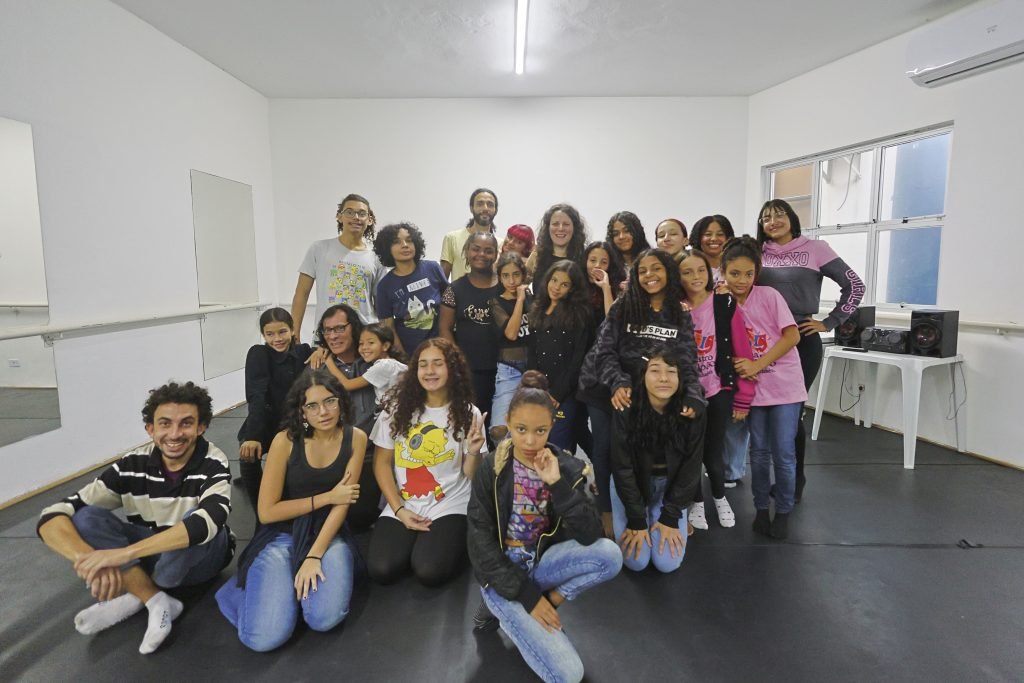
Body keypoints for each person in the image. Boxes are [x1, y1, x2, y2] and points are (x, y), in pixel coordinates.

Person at [37, 382, 233, 654]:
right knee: (85, 518)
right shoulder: (131, 465)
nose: (175, 434)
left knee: (196, 523)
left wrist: (120, 556)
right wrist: (90, 562)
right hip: (151, 552)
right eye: (165, 424)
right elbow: (52, 517)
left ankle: (136, 593)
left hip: (201, 559)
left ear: (201, 427)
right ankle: (155, 600)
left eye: (186, 424)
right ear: (150, 429)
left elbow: (208, 522)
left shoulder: (214, 460)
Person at [468, 372, 622, 683]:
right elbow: (479, 542)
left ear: (551, 427)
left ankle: (548, 598)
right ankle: (495, 606)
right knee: (569, 673)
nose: (529, 441)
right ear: (508, 423)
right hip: (500, 572)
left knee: (611, 554)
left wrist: (557, 484)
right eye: (521, 429)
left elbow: (591, 535)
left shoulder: (566, 466)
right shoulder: (493, 467)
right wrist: (527, 596)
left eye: (540, 431)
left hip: (540, 563)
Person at [215, 368, 364, 651]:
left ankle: (288, 593)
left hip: (327, 534)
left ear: (341, 401)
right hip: (283, 533)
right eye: (312, 405)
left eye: (330, 401)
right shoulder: (284, 441)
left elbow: (341, 505)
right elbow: (267, 513)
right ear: (301, 412)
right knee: (265, 638)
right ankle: (238, 593)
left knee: (325, 619)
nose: (323, 412)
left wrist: (314, 555)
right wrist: (326, 496)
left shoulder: (355, 438)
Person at [579, 248, 705, 537]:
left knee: (651, 447)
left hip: (653, 392)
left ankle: (666, 509)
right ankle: (607, 509)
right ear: (635, 276)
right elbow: (604, 352)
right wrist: (618, 382)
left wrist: (692, 394)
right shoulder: (624, 307)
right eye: (642, 270)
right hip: (607, 388)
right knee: (606, 449)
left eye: (656, 268)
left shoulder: (679, 312)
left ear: (668, 272)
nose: (649, 275)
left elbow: (687, 361)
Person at [756, 199, 865, 502]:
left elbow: (855, 285)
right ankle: (763, 479)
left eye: (779, 215)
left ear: (791, 218)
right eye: (766, 217)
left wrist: (830, 321)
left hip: (802, 339)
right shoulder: (757, 251)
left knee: (790, 413)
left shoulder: (816, 248)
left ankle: (794, 478)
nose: (773, 221)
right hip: (762, 341)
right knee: (763, 413)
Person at [367, 338, 486, 586]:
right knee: (382, 568)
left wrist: (474, 451)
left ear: (451, 369)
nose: (430, 371)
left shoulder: (468, 412)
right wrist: (399, 510)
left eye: (437, 364)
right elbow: (381, 463)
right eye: (423, 365)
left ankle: (462, 537)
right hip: (406, 500)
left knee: (429, 571)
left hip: (450, 502)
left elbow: (471, 474)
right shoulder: (396, 409)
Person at [721, 237, 807, 539]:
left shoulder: (769, 296)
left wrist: (757, 364)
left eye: (748, 274)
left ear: (756, 273)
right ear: (723, 272)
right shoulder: (722, 303)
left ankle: (783, 510)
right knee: (757, 453)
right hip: (752, 392)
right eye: (734, 274)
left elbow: (792, 336)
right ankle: (760, 508)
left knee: (783, 452)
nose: (742, 280)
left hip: (784, 386)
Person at [678, 251, 755, 530]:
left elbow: (741, 349)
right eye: (687, 272)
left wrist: (743, 397)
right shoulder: (675, 308)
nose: (695, 277)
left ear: (709, 274)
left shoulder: (723, 302)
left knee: (714, 449)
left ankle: (720, 496)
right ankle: (696, 501)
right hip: (687, 392)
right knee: (691, 450)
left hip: (718, 387)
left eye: (700, 270)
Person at [611, 349, 704, 572]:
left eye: (671, 371)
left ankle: (659, 515)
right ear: (642, 375)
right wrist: (636, 519)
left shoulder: (692, 410)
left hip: (669, 488)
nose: (663, 378)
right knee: (637, 562)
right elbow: (622, 467)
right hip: (632, 486)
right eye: (655, 370)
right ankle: (645, 515)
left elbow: (692, 467)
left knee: (666, 564)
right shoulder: (626, 407)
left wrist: (671, 516)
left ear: (680, 378)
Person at [237, 308, 314, 519]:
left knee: (305, 454)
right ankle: (260, 515)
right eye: (270, 334)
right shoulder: (258, 354)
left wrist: (321, 350)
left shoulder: (304, 352)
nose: (277, 339)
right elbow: (257, 396)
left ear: (292, 330)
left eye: (282, 332)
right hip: (266, 418)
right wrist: (252, 435)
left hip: (298, 421)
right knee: (247, 456)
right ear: (263, 335)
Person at [314, 304, 382, 531]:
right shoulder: (317, 367)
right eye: (327, 330)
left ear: (354, 328)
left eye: (339, 328)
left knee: (361, 517)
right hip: (333, 454)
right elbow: (299, 414)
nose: (333, 336)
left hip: (374, 454)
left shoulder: (376, 363)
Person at [691, 214, 746, 487]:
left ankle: (730, 470)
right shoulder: (689, 270)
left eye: (719, 232)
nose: (713, 238)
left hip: (726, 353)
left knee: (730, 422)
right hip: (697, 364)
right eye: (707, 233)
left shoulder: (732, 269)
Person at [291, 193, 386, 339]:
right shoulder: (319, 248)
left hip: (364, 338)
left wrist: (384, 337)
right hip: (328, 336)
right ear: (339, 217)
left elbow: (381, 303)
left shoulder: (376, 257)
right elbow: (301, 294)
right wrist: (294, 331)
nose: (356, 217)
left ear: (370, 220)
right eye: (349, 212)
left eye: (361, 213)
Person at [528, 260, 594, 453]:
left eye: (564, 284)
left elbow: (578, 358)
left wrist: (557, 392)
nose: (556, 287)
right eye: (554, 280)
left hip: (565, 392)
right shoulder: (537, 307)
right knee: (539, 443)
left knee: (559, 446)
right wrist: (538, 387)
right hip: (540, 389)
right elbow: (533, 352)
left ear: (572, 289)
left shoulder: (579, 314)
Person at [439, 231, 502, 420]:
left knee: (500, 426)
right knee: (473, 422)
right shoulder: (454, 289)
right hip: (469, 370)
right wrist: (458, 364)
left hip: (505, 370)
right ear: (466, 251)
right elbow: (445, 329)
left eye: (488, 250)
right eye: (476, 249)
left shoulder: (506, 286)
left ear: (496, 254)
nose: (481, 254)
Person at [373, 221, 448, 356]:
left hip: (441, 346)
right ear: (386, 248)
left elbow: (449, 304)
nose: (405, 245)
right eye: (397, 242)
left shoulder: (432, 268)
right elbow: (388, 327)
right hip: (410, 351)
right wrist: (402, 357)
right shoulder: (384, 286)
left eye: (409, 241)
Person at [489, 252, 532, 442]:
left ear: (523, 275)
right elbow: (511, 333)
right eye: (505, 275)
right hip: (509, 368)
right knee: (499, 430)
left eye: (516, 274)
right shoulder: (496, 301)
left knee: (531, 425)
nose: (511, 280)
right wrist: (520, 301)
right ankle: (502, 468)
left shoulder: (534, 298)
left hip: (535, 367)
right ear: (499, 277)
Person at [326, 323, 407, 406]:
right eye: (361, 344)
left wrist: (328, 361)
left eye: (371, 343)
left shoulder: (384, 365)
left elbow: (347, 385)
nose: (364, 347)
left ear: (385, 346)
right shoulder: (390, 364)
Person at [440, 188, 498, 280]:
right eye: (480, 204)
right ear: (471, 208)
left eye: (490, 205)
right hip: (458, 293)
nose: (485, 208)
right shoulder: (452, 238)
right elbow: (442, 280)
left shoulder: (501, 243)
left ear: (495, 210)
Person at [527, 204, 588, 286]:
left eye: (566, 224)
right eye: (555, 224)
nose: (560, 228)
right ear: (548, 227)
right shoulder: (537, 255)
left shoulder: (584, 257)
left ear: (575, 228)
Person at [581, 240, 626, 328]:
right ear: (585, 261)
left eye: (604, 262)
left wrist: (606, 287)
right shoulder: (576, 284)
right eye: (593, 260)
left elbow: (613, 322)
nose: (597, 265)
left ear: (609, 266)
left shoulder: (617, 288)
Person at [691, 215, 736, 284]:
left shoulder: (736, 265)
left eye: (720, 234)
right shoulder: (689, 266)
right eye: (708, 234)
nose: (714, 238)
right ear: (698, 237)